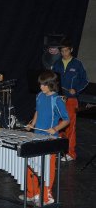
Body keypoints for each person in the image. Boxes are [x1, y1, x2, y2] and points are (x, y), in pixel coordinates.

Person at [19, 70, 69, 206]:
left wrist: (55, 129)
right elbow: (37, 111)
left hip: (50, 139)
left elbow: (66, 120)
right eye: (40, 84)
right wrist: (32, 124)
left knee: (47, 169)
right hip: (36, 136)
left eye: (43, 85)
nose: (41, 87)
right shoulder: (40, 95)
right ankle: (32, 192)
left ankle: (46, 196)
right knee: (31, 165)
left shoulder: (57, 100)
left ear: (51, 85)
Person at [52, 38, 88, 161]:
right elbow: (52, 81)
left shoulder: (77, 64)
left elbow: (85, 81)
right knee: (57, 125)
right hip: (58, 100)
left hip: (71, 100)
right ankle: (58, 150)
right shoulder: (57, 64)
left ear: (71, 50)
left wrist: (76, 89)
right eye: (62, 51)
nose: (64, 53)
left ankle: (70, 153)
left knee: (70, 126)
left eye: (66, 51)